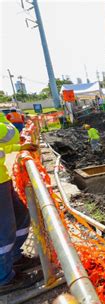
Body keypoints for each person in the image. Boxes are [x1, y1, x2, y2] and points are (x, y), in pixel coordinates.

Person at [0, 113, 41, 294]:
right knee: (4, 232)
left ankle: (14, 258)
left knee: (22, 217)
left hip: (2, 178)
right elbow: (9, 133)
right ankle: (4, 278)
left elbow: (5, 142)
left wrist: (19, 147)